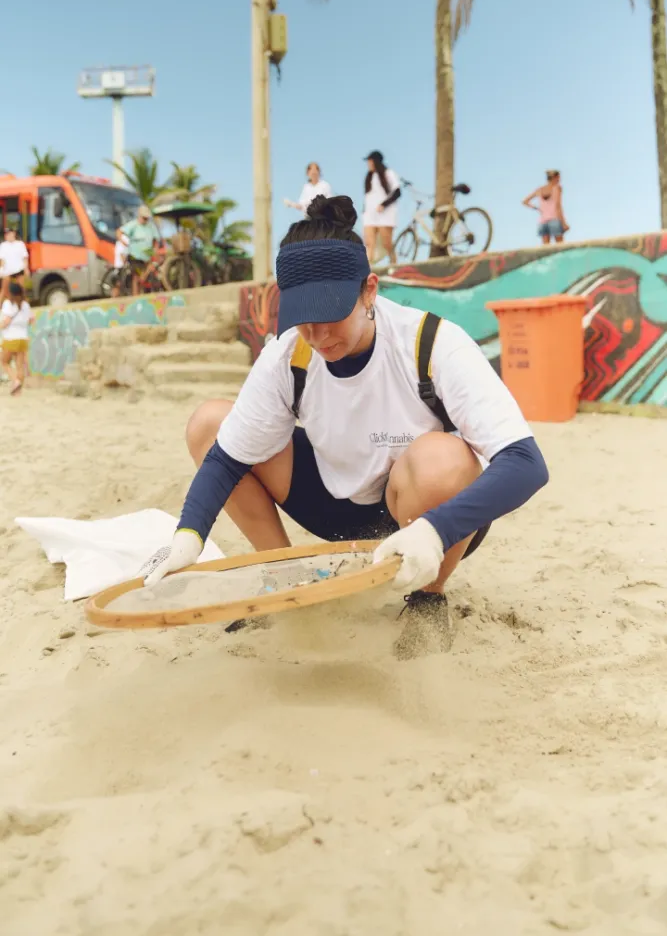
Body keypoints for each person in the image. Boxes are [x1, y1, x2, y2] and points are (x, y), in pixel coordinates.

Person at [138, 195, 549, 656]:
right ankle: (284, 584)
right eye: (302, 321)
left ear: (369, 290)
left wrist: (434, 530)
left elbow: (526, 463)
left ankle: (427, 598)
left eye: (331, 315)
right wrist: (188, 536)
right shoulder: (289, 355)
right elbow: (225, 459)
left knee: (445, 458)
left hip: (423, 517)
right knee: (210, 423)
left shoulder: (433, 342)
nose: (318, 336)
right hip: (331, 506)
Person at [362, 150, 401, 266]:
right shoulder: (369, 177)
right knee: (369, 243)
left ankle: (393, 263)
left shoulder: (389, 173)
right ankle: (368, 268)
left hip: (385, 214)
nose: (368, 164)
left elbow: (397, 192)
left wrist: (384, 204)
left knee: (386, 242)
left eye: (370, 161)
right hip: (370, 215)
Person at [116, 205, 160, 296]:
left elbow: (156, 240)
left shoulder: (151, 227)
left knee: (147, 274)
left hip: (147, 254)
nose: (145, 220)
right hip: (134, 254)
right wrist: (123, 242)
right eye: (144, 218)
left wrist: (155, 250)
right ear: (139, 216)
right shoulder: (133, 225)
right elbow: (119, 232)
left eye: (146, 218)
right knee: (136, 276)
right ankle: (135, 296)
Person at [1, 280, 34, 396]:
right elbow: (31, 320)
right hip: (23, 339)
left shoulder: (8, 304)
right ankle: (17, 392)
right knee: (19, 365)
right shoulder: (26, 305)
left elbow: (6, 322)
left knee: (4, 362)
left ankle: (16, 381)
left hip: (11, 338)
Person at [522, 170, 569, 245]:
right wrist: (564, 223)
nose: (559, 180)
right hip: (555, 220)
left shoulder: (539, 190)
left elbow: (525, 201)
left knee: (546, 249)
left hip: (542, 222)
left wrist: (536, 208)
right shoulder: (557, 188)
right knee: (561, 247)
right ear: (554, 177)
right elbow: (558, 206)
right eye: (558, 178)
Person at [0, 227, 29, 301]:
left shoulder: (20, 244)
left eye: (9, 233)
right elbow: (2, 260)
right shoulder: (3, 245)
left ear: (14, 233)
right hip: (7, 271)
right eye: (6, 234)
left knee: (22, 289)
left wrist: (26, 269)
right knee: (4, 290)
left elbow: (24, 257)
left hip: (19, 269)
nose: (8, 236)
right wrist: (1, 270)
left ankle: (24, 306)